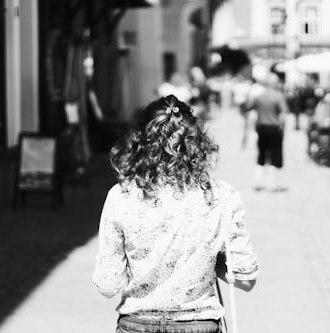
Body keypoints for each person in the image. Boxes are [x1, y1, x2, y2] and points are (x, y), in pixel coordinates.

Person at [92, 95, 259, 333]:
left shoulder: (121, 196)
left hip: (137, 325)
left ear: (139, 142)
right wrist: (211, 263)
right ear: (196, 143)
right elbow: (246, 277)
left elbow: (108, 284)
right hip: (199, 324)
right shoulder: (221, 196)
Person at [247, 73, 290, 191]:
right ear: (275, 83)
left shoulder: (259, 96)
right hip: (274, 129)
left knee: (261, 154)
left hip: (261, 127)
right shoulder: (278, 96)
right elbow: (283, 113)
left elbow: (249, 106)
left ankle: (258, 182)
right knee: (274, 155)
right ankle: (271, 184)